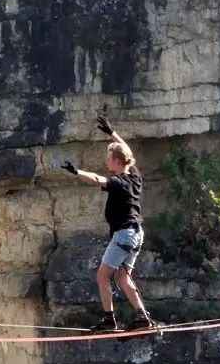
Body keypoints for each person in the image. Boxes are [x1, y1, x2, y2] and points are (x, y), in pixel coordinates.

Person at [62, 116, 157, 332]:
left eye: (108, 158)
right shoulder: (134, 176)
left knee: (102, 275)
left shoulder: (118, 183)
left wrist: (77, 172)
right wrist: (112, 133)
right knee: (123, 277)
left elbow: (97, 179)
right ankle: (143, 317)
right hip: (137, 234)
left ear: (116, 161)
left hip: (124, 234)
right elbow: (127, 151)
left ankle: (109, 319)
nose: (106, 162)